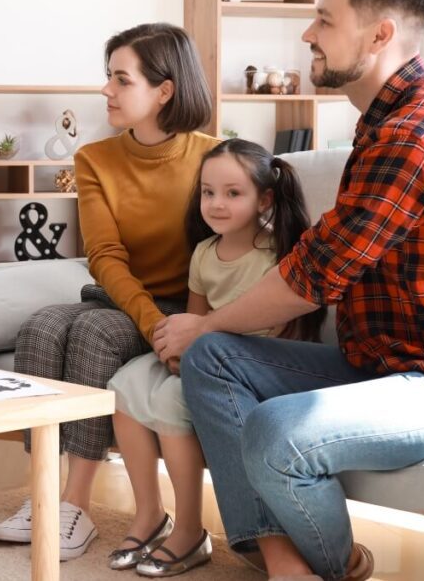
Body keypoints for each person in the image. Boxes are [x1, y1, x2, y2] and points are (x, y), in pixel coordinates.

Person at [155, 0, 424, 581]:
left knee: (277, 430)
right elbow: (320, 257)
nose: (308, 34)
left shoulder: (415, 133)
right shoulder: (381, 119)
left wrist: (207, 321)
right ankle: (287, 563)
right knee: (211, 361)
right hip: (383, 363)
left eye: (326, 21)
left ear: (380, 33)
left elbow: (314, 277)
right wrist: (206, 336)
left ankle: (336, 563)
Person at [0, 22, 219, 560]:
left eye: (121, 79)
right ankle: (46, 493)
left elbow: (223, 255)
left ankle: (75, 504)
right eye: (108, 77)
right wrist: (150, 325)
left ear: (165, 90)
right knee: (42, 325)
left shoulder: (215, 156)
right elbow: (105, 257)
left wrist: (179, 328)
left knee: (93, 331)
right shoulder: (95, 159)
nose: (106, 90)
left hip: (182, 307)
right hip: (127, 301)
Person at [107, 138, 319, 577]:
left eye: (232, 193)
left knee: (169, 403)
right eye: (208, 192)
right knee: (123, 387)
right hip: (204, 353)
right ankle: (149, 513)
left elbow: (280, 332)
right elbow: (195, 319)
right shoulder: (204, 254)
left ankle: (189, 529)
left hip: (249, 366)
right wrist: (173, 352)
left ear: (264, 198)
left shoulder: (275, 256)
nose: (216, 204)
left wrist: (199, 353)